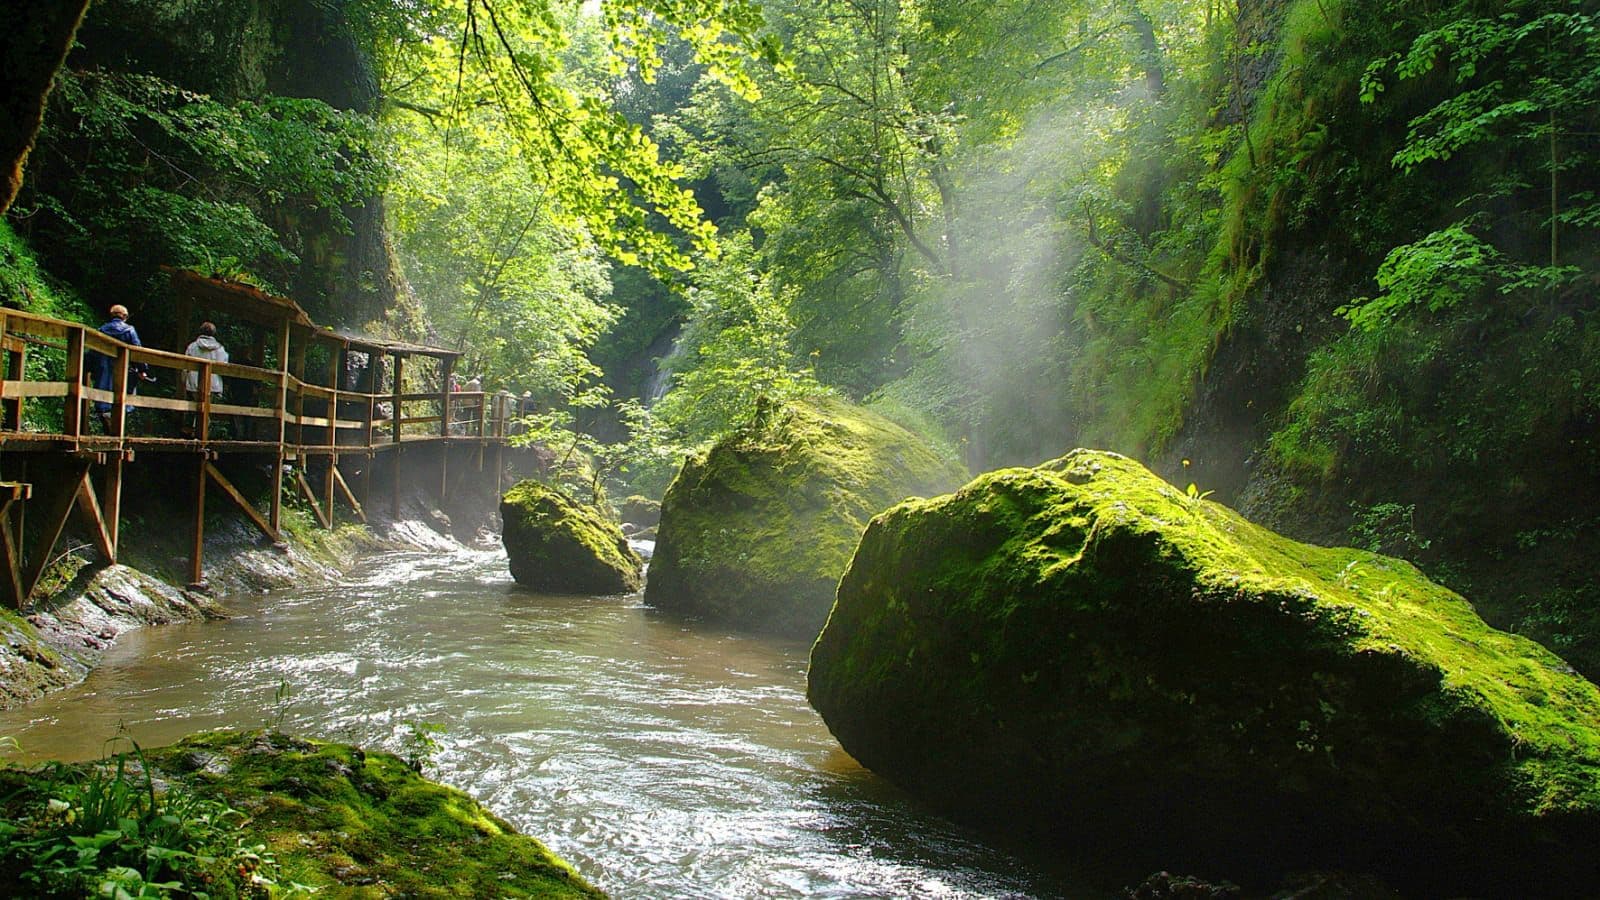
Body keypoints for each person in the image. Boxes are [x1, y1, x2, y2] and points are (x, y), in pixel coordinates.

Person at [90, 304, 148, 433]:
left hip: (103, 370)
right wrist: (142, 369)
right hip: (123, 372)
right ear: (124, 317)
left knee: (103, 401)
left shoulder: (101, 330)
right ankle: (116, 429)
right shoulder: (129, 331)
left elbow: (92, 352)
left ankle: (108, 421)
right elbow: (137, 351)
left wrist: (89, 367)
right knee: (123, 399)